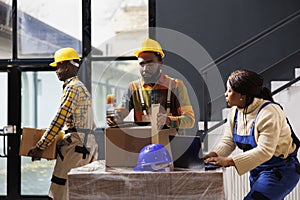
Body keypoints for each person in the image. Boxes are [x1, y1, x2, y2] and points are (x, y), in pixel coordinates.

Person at [204, 69, 300, 200]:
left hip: (280, 171)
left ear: (242, 95)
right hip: (257, 170)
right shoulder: (234, 112)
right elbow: (228, 141)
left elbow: (265, 151)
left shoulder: (269, 112)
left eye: (230, 91)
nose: (225, 94)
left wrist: (228, 161)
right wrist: (212, 155)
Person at [28, 47, 98, 200]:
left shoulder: (73, 87)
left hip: (78, 145)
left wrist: (41, 146)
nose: (56, 71)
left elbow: (59, 119)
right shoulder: (79, 87)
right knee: (79, 191)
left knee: (59, 190)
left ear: (66, 66)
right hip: (85, 145)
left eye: (58, 66)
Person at [106, 38, 195, 132]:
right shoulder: (133, 88)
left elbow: (190, 120)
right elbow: (123, 111)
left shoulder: (175, 86)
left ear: (160, 64)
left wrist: (168, 120)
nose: (145, 69)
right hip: (144, 143)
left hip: (172, 143)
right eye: (141, 64)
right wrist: (116, 118)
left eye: (150, 65)